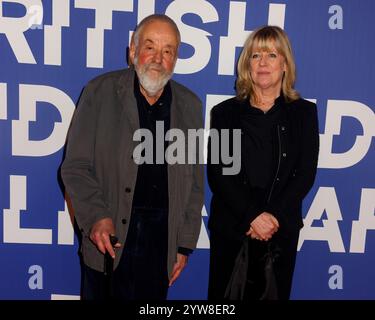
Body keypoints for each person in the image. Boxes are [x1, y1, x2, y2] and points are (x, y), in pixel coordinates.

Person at [61, 14, 204, 300]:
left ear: (175, 59)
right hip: (108, 239)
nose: (158, 58)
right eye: (150, 47)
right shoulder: (99, 92)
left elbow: (195, 184)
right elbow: (75, 167)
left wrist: (183, 244)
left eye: (168, 51)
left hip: (160, 246)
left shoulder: (190, 105)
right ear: (132, 51)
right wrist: (96, 216)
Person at [207, 25, 319, 300]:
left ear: (285, 64)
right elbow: (219, 174)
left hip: (279, 233)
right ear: (247, 65)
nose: (263, 63)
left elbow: (304, 174)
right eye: (256, 56)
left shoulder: (304, 113)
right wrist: (252, 217)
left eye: (271, 54)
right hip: (233, 230)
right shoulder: (224, 114)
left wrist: (271, 219)